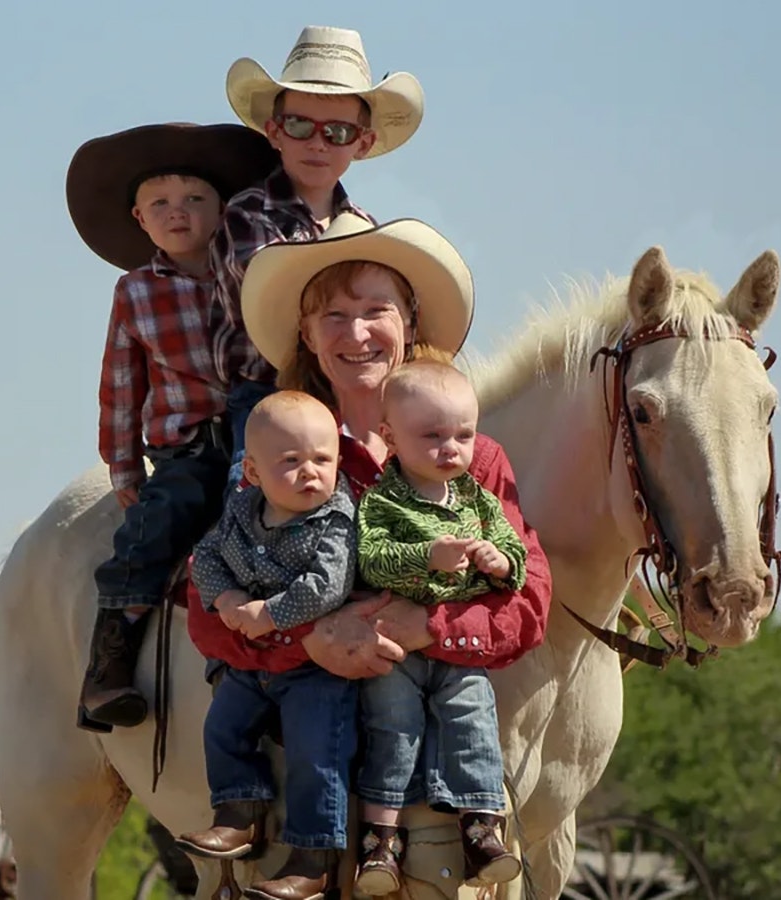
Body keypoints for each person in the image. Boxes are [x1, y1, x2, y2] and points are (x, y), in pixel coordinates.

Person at [183, 212, 553, 898]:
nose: (356, 333)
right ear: (307, 334)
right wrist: (309, 637)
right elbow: (207, 610)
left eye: (376, 310)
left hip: (433, 752)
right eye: (333, 315)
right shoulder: (278, 450)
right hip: (303, 741)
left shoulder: (474, 458)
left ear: (409, 320)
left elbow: (529, 602)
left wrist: (431, 628)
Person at [64, 122, 279, 733]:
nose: (177, 213)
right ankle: (107, 669)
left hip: (263, 437)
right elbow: (121, 384)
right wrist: (123, 464)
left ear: (224, 211)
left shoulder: (254, 275)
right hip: (189, 448)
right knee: (154, 529)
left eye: (194, 200)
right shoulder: (134, 293)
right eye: (160, 203)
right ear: (139, 218)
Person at [212, 25, 426, 496]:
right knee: (250, 503)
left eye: (337, 132)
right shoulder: (247, 215)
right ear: (274, 131)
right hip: (267, 394)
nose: (317, 143)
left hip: (352, 394)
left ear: (362, 144)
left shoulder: (365, 227)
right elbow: (279, 301)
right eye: (299, 126)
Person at [351, 358, 529, 892]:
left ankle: (481, 828)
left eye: (464, 435)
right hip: (396, 652)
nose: (451, 448)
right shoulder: (383, 500)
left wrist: (501, 562)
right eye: (431, 436)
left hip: (457, 649)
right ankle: (381, 841)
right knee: (393, 729)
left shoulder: (477, 498)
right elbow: (369, 559)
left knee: (473, 720)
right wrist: (426, 555)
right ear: (390, 437)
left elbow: (515, 551)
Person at [175, 390, 360, 900]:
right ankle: (238, 811)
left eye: (323, 460)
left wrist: (270, 613)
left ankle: (314, 857)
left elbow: (329, 585)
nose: (311, 473)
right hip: (252, 663)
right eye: (292, 462)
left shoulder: (335, 519)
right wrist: (226, 596)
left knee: (315, 752)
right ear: (253, 474)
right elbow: (207, 557)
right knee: (222, 724)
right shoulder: (240, 510)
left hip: (312, 669)